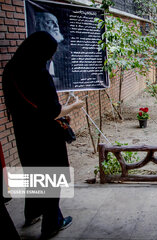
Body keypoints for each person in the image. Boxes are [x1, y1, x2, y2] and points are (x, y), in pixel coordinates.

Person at [2, 31, 84, 239]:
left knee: (33, 171)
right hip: (46, 134)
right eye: (50, 54)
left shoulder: (10, 69)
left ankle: (31, 213)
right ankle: (52, 223)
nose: (51, 58)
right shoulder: (39, 73)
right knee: (52, 177)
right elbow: (53, 111)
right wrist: (73, 107)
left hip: (23, 131)